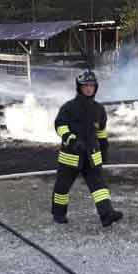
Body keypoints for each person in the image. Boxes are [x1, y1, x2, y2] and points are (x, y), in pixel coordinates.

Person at [51, 69, 123, 227]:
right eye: (86, 85)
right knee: (62, 187)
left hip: (92, 155)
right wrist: (71, 140)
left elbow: (101, 131)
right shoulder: (68, 107)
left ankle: (106, 214)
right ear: (79, 87)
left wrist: (104, 149)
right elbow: (60, 126)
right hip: (71, 155)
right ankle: (58, 214)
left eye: (92, 85)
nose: (89, 88)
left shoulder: (99, 109)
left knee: (99, 187)